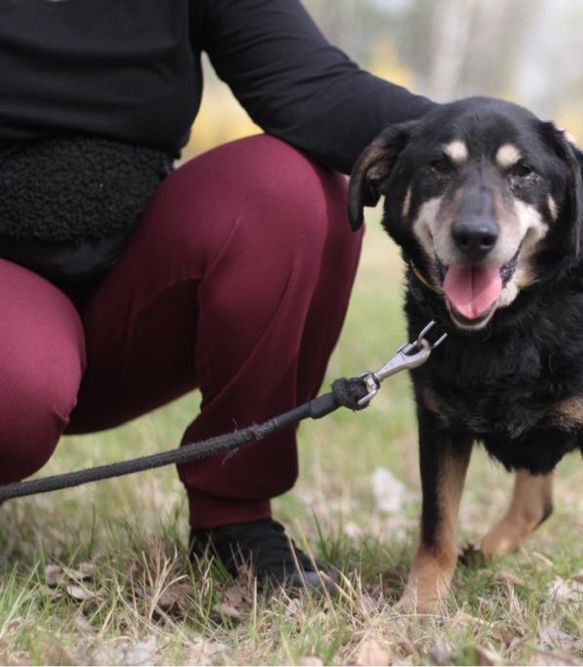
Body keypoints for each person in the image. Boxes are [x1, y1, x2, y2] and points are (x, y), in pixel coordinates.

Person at [0, 0, 435, 590]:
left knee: (295, 190)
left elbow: (315, 89)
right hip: (14, 304)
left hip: (128, 290)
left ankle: (233, 519)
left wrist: (493, 148)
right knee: (14, 389)